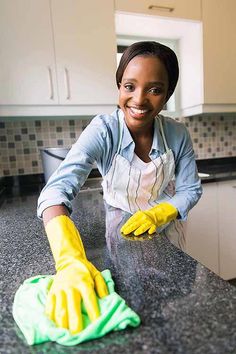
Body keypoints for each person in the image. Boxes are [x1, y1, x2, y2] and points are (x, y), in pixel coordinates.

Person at [37, 41, 202, 334]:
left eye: (154, 89)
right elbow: (55, 191)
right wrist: (70, 261)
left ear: (167, 95)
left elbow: (190, 190)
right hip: (120, 232)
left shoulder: (177, 133)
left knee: (166, 302)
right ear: (118, 87)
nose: (139, 99)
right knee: (128, 299)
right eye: (129, 86)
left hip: (167, 231)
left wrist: (161, 213)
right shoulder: (103, 130)